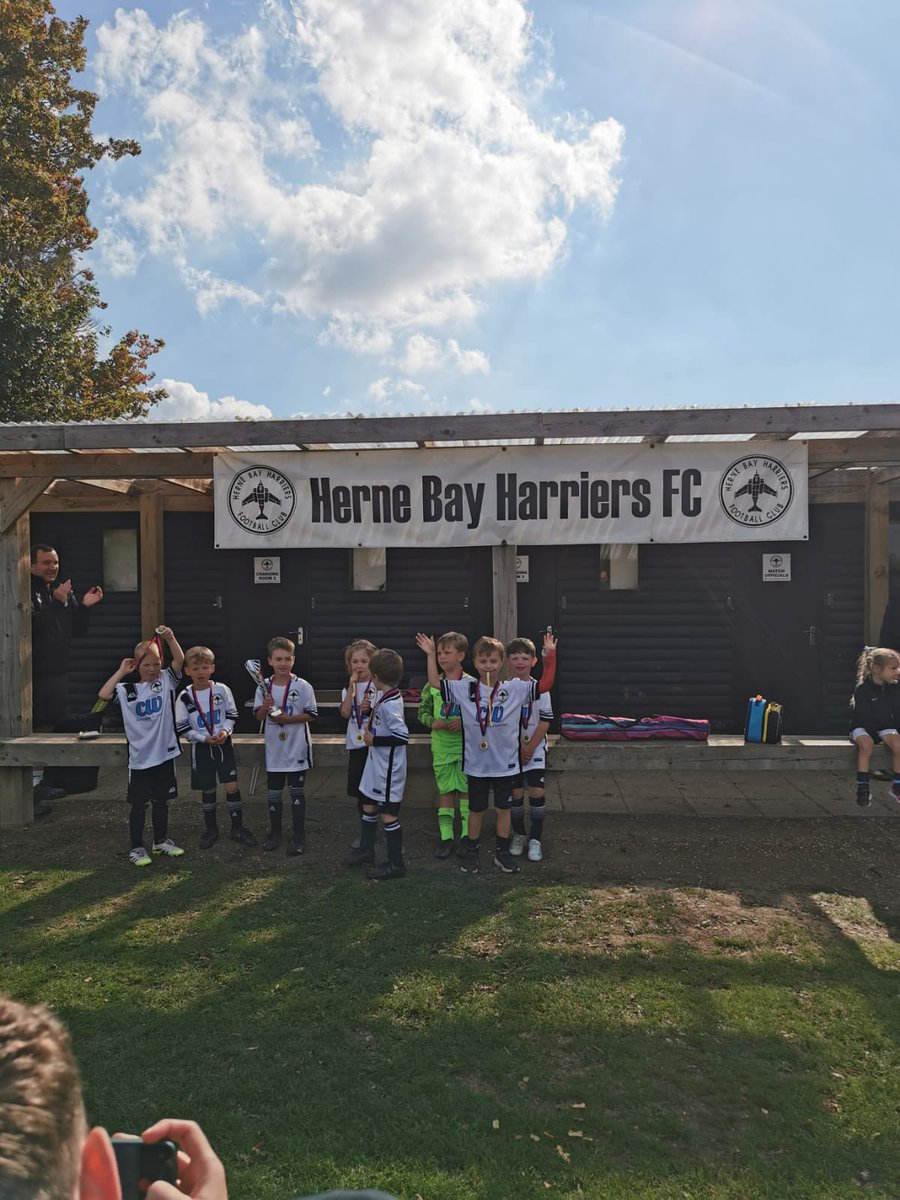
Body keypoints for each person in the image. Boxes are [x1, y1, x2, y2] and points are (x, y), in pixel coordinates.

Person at [416, 633, 537, 875]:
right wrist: (431, 656)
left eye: (493, 662)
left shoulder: (512, 689)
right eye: (483, 662)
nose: (488, 666)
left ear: (501, 662)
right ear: (475, 662)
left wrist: (547, 657)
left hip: (505, 765)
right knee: (475, 809)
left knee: (503, 808)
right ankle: (472, 850)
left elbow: (542, 687)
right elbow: (436, 684)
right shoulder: (466, 687)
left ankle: (502, 853)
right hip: (476, 764)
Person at [98, 628, 186, 867]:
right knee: (139, 805)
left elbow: (180, 660)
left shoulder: (166, 681)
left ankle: (160, 841)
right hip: (139, 758)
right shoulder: (127, 690)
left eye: (157, 664)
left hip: (165, 754)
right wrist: (121, 671)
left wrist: (169, 638)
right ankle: (136, 847)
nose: (153, 669)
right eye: (147, 664)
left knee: (162, 801)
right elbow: (104, 694)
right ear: (136, 665)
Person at [30, 543, 104, 814]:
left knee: (53, 725)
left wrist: (84, 606)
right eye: (46, 562)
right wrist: (59, 602)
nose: (53, 567)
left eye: (55, 562)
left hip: (58, 672)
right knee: (33, 727)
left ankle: (40, 785)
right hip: (32, 675)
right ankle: (28, 790)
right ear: (32, 565)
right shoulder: (26, 590)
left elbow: (78, 630)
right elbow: (35, 627)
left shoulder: (60, 590)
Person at [174, 646, 257, 850]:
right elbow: (182, 726)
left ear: (212, 668)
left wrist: (225, 732)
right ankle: (211, 830)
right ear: (187, 671)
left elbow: (232, 714)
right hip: (202, 748)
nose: (200, 672)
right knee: (208, 788)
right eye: (195, 668)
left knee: (232, 786)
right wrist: (202, 738)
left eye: (205, 667)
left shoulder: (221, 689)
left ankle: (237, 828)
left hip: (223, 744)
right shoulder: (184, 696)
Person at [345, 648, 409, 880]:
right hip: (376, 765)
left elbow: (402, 736)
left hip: (388, 769)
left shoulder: (391, 704)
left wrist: (375, 740)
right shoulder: (385, 696)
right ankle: (366, 850)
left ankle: (396, 864)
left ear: (376, 676)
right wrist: (371, 711)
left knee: (388, 815)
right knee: (369, 805)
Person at [253, 636, 317, 855]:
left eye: (287, 659)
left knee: (296, 793)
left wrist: (288, 719)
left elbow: (311, 715)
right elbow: (259, 717)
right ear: (270, 661)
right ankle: (275, 833)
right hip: (274, 751)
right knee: (273, 794)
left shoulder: (303, 685)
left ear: (293, 660)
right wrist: (265, 706)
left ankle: (299, 836)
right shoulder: (264, 686)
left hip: (297, 748)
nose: (283, 663)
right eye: (278, 659)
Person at [416, 631, 473, 859]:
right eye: (438, 653)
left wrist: (464, 724)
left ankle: (468, 837)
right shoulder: (432, 685)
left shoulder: (472, 684)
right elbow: (422, 712)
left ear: (460, 656)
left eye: (446, 652)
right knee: (446, 791)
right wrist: (433, 722)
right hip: (441, 747)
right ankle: (446, 837)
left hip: (464, 748)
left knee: (465, 791)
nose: (441, 657)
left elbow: (481, 715)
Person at [506, 636, 554, 862]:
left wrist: (530, 747)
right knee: (515, 794)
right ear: (508, 661)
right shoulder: (503, 689)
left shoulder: (542, 689)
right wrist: (518, 747)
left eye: (525, 657)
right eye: (514, 657)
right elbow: (503, 723)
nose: (520, 662)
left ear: (534, 661)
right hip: (511, 750)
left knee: (536, 791)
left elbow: (545, 721)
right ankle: (519, 834)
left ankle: (536, 838)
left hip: (534, 749)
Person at [338, 639, 379, 847]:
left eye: (364, 661)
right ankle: (364, 832)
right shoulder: (349, 689)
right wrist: (351, 686)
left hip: (375, 746)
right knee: (359, 792)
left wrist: (370, 710)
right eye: (355, 661)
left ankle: (379, 832)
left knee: (376, 791)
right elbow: (345, 712)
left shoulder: (379, 686)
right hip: (356, 746)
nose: (359, 666)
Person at [849, 645, 900, 807]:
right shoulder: (862, 689)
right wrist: (876, 736)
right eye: (893, 668)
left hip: (883, 726)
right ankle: (863, 786)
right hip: (862, 727)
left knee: (898, 744)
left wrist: (893, 733)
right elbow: (863, 717)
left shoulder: (893, 688)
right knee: (866, 744)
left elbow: (896, 713)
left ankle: (897, 784)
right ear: (877, 669)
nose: (897, 671)